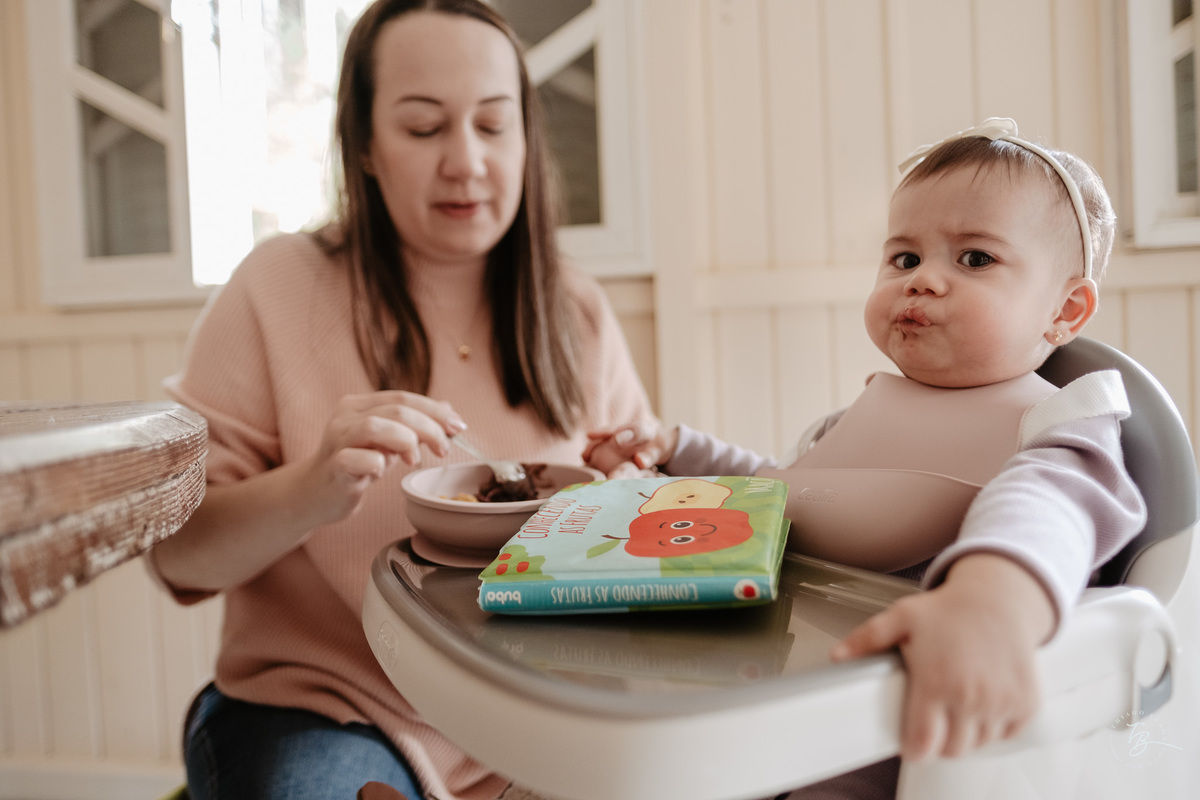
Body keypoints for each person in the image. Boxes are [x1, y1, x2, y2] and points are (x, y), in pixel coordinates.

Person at [148, 2, 655, 799]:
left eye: (493, 126)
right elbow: (178, 558)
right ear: (366, 148)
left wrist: (635, 492)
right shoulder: (278, 286)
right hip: (326, 711)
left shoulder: (575, 309)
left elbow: (638, 534)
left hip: (541, 722)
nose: (465, 162)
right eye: (424, 129)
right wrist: (312, 487)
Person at [585, 118, 1147, 799]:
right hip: (771, 681)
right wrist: (677, 449)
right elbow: (781, 491)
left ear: (1065, 309)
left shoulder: (1054, 424)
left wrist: (990, 600)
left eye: (974, 259)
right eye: (904, 259)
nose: (923, 281)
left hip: (901, 719)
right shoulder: (858, 417)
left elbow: (1048, 509)